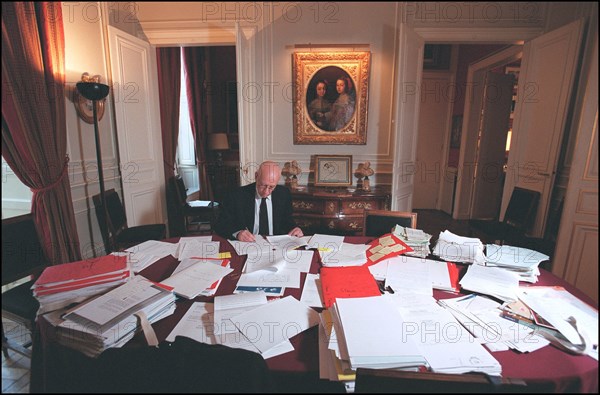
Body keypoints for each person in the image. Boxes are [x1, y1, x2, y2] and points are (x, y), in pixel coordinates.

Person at [214, 161, 304, 241]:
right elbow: (221, 225)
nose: (266, 191)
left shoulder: (284, 194)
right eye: (263, 185)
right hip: (249, 245)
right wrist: (238, 233)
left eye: (271, 187)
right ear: (256, 176)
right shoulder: (237, 195)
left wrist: (295, 228)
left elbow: (287, 220)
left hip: (276, 245)